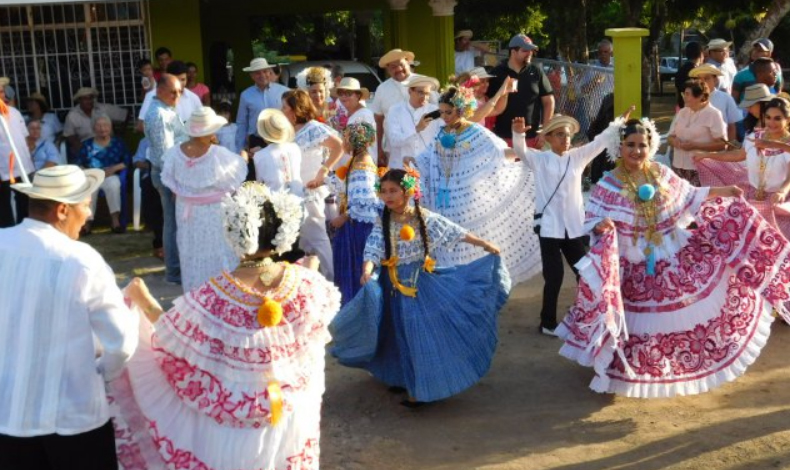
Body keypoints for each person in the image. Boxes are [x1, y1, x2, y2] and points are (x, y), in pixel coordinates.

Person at [111, 181, 340, 470]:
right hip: (291, 416)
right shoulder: (306, 284)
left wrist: (143, 300)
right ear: (282, 231)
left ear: (233, 234)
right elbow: (314, 334)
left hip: (235, 426)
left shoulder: (212, 295)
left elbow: (169, 336)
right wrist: (309, 271)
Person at [555, 117, 790, 398]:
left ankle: (661, 366)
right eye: (630, 145)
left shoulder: (661, 173)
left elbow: (689, 195)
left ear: (651, 145)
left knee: (677, 316)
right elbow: (590, 217)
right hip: (631, 265)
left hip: (671, 253)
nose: (636, 151)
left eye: (642, 145)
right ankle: (626, 369)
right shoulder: (609, 183)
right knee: (634, 321)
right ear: (619, 147)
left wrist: (724, 192)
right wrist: (600, 225)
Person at [330, 168, 509, 407]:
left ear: (407, 191)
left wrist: (484, 243)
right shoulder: (382, 219)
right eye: (383, 191)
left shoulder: (422, 218)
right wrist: (366, 269)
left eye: (393, 190)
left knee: (416, 333)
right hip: (391, 287)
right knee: (393, 333)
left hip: (419, 286)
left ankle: (420, 388)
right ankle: (400, 376)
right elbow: (374, 246)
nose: (388, 196)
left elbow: (453, 230)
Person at [0, 165, 137, 470]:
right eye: (86, 205)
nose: (89, 215)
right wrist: (102, 370)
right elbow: (122, 342)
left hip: (8, 413)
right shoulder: (81, 260)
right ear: (63, 210)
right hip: (73, 416)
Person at [512, 110, 628, 336]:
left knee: (586, 273)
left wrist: (618, 122)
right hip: (549, 228)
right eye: (559, 135)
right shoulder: (540, 159)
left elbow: (601, 141)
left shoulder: (578, 156)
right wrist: (517, 134)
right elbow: (521, 151)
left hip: (574, 227)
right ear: (547, 138)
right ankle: (547, 323)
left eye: (567, 136)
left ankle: (591, 316)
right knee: (554, 277)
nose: (565, 140)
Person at [416, 86, 541, 284]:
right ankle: (454, 285)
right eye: (441, 112)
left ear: (461, 109)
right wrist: (411, 163)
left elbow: (499, 152)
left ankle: (472, 284)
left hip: (467, 200)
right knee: (449, 241)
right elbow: (427, 158)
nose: (444, 117)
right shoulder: (441, 133)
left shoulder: (475, 131)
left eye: (448, 112)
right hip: (443, 200)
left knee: (468, 241)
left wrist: (528, 155)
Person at [161, 107, 247, 292]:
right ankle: (222, 293)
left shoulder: (175, 153)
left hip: (187, 210)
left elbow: (171, 181)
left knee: (191, 251)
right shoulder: (218, 154)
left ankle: (196, 293)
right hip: (213, 211)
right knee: (219, 249)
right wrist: (245, 158)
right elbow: (237, 174)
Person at [694, 97, 790, 240]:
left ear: (787, 120)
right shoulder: (754, 137)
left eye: (777, 118)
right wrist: (708, 155)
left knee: (777, 248)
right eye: (768, 117)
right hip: (751, 198)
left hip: (777, 204)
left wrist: (782, 191)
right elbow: (738, 155)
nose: (771, 122)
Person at [284, 89, 343, 281]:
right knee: (306, 241)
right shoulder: (289, 131)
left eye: (285, 107)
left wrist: (323, 171)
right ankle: (314, 279)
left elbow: (338, 146)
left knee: (318, 237)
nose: (281, 111)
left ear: (296, 109)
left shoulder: (313, 128)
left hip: (311, 189)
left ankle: (332, 278)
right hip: (295, 191)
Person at [325, 122, 381, 305]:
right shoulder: (358, 161)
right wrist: (328, 177)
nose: (343, 143)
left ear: (354, 142)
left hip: (358, 229)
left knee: (354, 270)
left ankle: (357, 312)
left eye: (346, 139)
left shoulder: (361, 164)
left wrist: (344, 217)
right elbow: (350, 191)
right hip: (357, 225)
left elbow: (367, 199)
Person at [145, 74, 189, 284]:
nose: (177, 96)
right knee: (172, 224)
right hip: (167, 175)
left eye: (179, 91)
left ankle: (176, 270)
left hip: (171, 174)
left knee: (174, 223)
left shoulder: (166, 109)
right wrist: (174, 185)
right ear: (159, 90)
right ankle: (173, 272)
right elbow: (165, 155)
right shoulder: (159, 115)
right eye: (172, 92)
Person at [487, 34, 554, 146]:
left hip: (531, 138)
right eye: (525, 50)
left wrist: (544, 132)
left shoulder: (536, 71)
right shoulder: (497, 73)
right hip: (502, 138)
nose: (529, 54)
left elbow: (549, 101)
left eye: (531, 51)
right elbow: (486, 103)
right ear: (513, 51)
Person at [77, 112, 130, 234]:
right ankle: (87, 222)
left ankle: (115, 221)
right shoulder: (87, 145)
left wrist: (113, 169)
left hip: (110, 175)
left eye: (105, 125)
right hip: (92, 176)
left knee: (113, 185)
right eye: (99, 126)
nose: (102, 129)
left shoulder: (118, 143)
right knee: (89, 188)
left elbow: (127, 161)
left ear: (110, 127)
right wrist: (90, 172)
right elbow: (79, 163)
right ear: (93, 128)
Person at [666, 79, 727, 186]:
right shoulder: (682, 112)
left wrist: (696, 146)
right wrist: (674, 142)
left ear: (700, 97)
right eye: (684, 93)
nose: (684, 97)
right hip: (678, 165)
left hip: (700, 167)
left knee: (698, 200)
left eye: (687, 94)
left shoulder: (713, 114)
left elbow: (722, 145)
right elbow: (670, 137)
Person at [384, 74, 441, 171]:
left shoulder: (435, 111)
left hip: (426, 168)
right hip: (400, 168)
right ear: (410, 91)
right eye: (420, 92)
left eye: (427, 94)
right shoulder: (395, 110)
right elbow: (394, 141)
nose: (424, 97)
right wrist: (417, 129)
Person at [235, 58, 291, 153]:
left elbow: (292, 115)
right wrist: (241, 147)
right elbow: (242, 122)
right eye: (257, 73)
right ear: (252, 76)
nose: (262, 75)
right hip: (257, 141)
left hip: (281, 139)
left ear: (269, 72)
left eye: (265, 71)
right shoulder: (246, 95)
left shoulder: (285, 91)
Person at [370, 49, 416, 160]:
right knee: (398, 177)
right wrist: (379, 148)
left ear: (407, 62)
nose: (399, 69)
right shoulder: (382, 89)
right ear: (388, 70)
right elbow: (378, 120)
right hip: (394, 150)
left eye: (401, 64)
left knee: (418, 177)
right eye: (393, 67)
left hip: (421, 147)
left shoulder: (423, 83)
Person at [0, 85, 34, 228]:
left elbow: (24, 137)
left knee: (24, 201)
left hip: (23, 165)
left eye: (1, 91)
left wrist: (28, 156)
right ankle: (6, 234)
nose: (1, 94)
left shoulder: (14, 112)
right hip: (3, 167)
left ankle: (25, 230)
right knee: (4, 203)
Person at [63, 88, 128, 160]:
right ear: (79, 100)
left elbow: (126, 114)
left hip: (108, 143)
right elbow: (69, 135)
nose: (89, 101)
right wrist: (81, 148)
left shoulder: (104, 108)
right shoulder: (72, 115)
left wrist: (122, 132)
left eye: (91, 98)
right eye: (85, 99)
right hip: (86, 146)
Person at [137, 60, 203, 128]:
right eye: (175, 80)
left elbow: (202, 122)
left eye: (183, 79)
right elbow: (140, 125)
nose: (179, 84)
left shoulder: (193, 98)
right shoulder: (152, 96)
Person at [253, 108, 303, 195]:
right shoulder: (295, 147)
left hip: (275, 202)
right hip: (299, 198)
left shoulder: (259, 155)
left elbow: (260, 183)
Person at [688, 64, 742, 143]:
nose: (703, 82)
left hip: (720, 145)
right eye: (699, 79)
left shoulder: (726, 98)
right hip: (694, 145)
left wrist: (730, 145)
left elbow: (731, 125)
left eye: (707, 78)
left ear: (715, 80)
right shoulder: (691, 98)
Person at [132, 137, 164, 259]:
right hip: (151, 174)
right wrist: (149, 165)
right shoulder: (145, 141)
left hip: (171, 175)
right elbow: (136, 160)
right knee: (151, 190)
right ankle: (159, 242)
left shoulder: (177, 138)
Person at [331, 77, 377, 163]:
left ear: (358, 95)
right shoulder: (351, 114)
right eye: (340, 93)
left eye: (348, 93)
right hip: (351, 165)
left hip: (361, 165)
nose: (343, 96)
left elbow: (361, 145)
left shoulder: (364, 115)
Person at [732, 38, 783, 104]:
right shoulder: (741, 75)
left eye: (760, 50)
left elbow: (779, 94)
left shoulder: (776, 74)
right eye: (754, 49)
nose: (755, 52)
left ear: (769, 54)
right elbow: (734, 101)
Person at [675, 41, 704, 109]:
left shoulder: (680, 70)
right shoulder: (697, 72)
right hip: (695, 108)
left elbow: (677, 91)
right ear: (700, 54)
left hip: (682, 106)